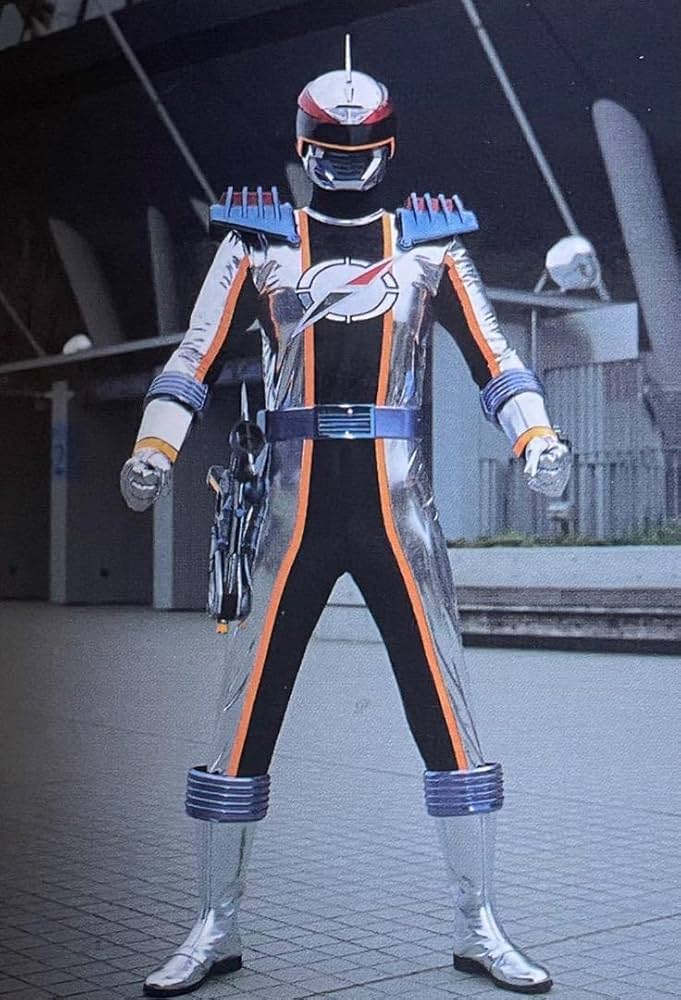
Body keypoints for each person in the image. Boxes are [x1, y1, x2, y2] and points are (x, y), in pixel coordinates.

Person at [121, 41, 570, 998]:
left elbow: (495, 359)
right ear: (304, 146)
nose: (345, 164)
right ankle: (214, 923)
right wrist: (156, 445)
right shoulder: (258, 246)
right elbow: (193, 358)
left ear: (387, 148)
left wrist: (535, 437)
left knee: (445, 708)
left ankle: (479, 922)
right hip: (293, 508)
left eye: (359, 149)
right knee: (243, 714)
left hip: (396, 507)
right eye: (330, 148)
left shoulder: (431, 251)